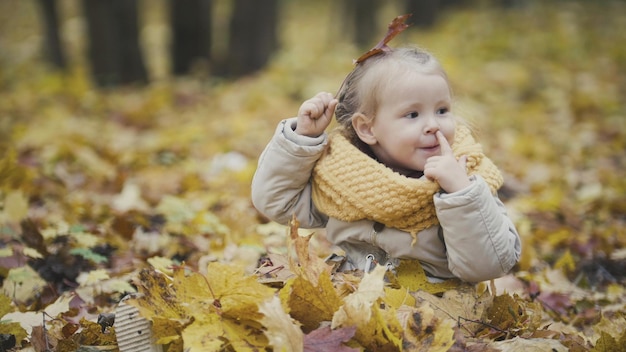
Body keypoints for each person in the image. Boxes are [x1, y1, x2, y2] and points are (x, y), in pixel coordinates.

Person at [251, 45, 521, 283]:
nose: (433, 125)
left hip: (432, 318)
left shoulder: (467, 177)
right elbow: (278, 203)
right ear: (367, 129)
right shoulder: (343, 179)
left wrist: (461, 194)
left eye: (442, 110)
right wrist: (302, 139)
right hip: (352, 298)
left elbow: (489, 265)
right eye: (412, 114)